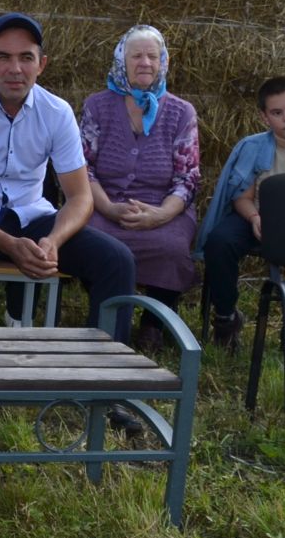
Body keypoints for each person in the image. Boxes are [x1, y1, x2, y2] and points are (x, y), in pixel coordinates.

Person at [0, 12, 137, 434]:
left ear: (43, 64)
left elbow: (79, 197)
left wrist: (54, 240)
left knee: (117, 260)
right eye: (3, 57)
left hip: (33, 216)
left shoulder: (56, 111)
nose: (14, 68)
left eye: (26, 58)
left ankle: (105, 386)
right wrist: (8, 243)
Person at [192, 77, 285, 348]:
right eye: (277, 113)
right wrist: (254, 218)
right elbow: (242, 196)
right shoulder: (252, 148)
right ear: (264, 117)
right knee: (220, 242)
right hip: (257, 217)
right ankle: (226, 315)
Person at [78, 25, 202, 348]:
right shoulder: (97, 106)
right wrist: (107, 208)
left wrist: (160, 215)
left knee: (172, 248)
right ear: (122, 60)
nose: (145, 62)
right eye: (137, 55)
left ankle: (153, 324)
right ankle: (111, 312)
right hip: (105, 201)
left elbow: (187, 178)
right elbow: (83, 168)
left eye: (153, 56)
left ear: (164, 62)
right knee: (91, 238)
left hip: (164, 205)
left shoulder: (182, 112)